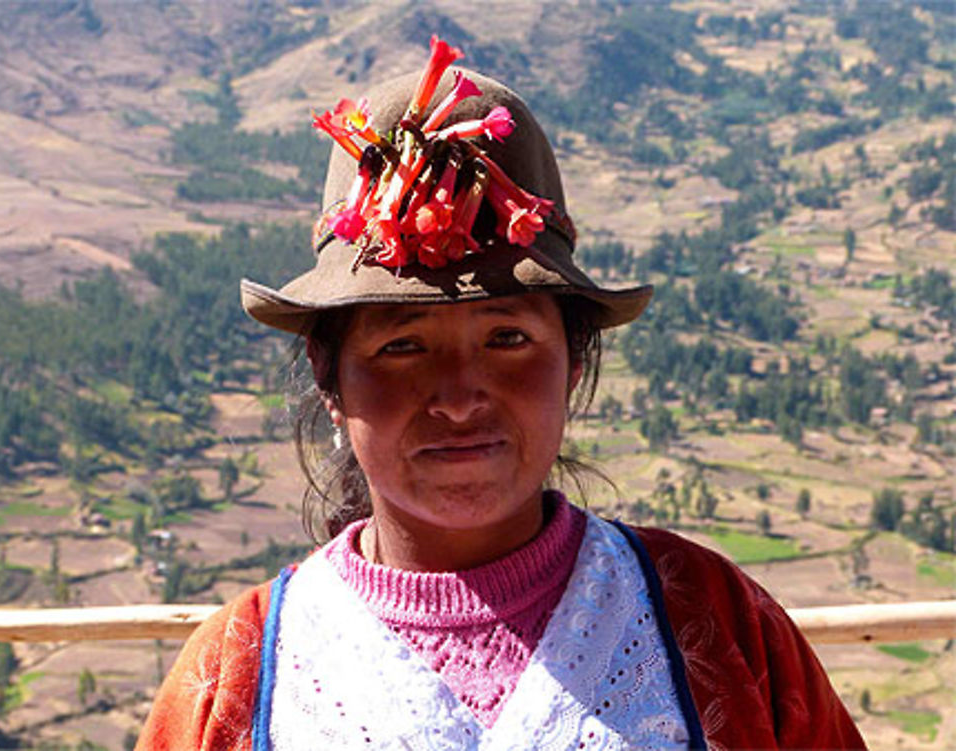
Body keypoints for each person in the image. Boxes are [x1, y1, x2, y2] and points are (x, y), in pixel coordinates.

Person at [137, 37, 865, 750]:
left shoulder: (715, 622)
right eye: (401, 346)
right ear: (329, 378)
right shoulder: (236, 677)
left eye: (508, 338)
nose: (458, 397)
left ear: (573, 363)